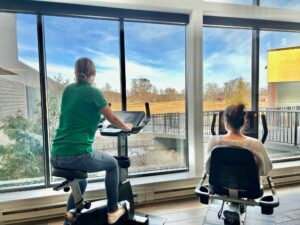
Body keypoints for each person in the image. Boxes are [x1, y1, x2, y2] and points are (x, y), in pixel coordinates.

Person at [50, 57, 133, 224]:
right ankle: (113, 211)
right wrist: (127, 127)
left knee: (81, 181)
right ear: (93, 73)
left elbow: (75, 116)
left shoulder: (68, 90)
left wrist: (93, 122)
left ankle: (70, 220)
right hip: (78, 154)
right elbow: (114, 119)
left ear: (75, 72)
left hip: (57, 154)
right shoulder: (93, 92)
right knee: (112, 164)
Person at [204, 103, 272, 176]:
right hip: (248, 187)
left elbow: (208, 169)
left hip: (219, 187)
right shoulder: (256, 144)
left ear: (225, 122)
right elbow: (266, 170)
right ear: (244, 122)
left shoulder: (214, 141)